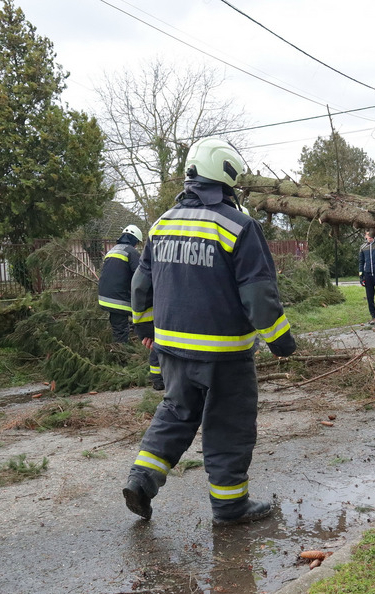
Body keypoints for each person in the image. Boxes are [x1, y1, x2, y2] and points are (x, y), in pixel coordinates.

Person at [124, 137, 296, 526]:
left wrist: (145, 328)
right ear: (227, 177)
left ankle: (141, 479)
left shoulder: (162, 224)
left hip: (171, 350)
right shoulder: (238, 225)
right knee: (228, 426)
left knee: (175, 413)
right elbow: (258, 295)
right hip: (223, 356)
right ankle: (230, 507)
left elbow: (140, 286)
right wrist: (280, 341)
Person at [97, 225, 162, 390]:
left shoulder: (113, 250)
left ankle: (121, 350)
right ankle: (123, 360)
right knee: (125, 328)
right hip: (118, 298)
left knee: (120, 325)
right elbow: (140, 276)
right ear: (135, 240)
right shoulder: (131, 252)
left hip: (105, 296)